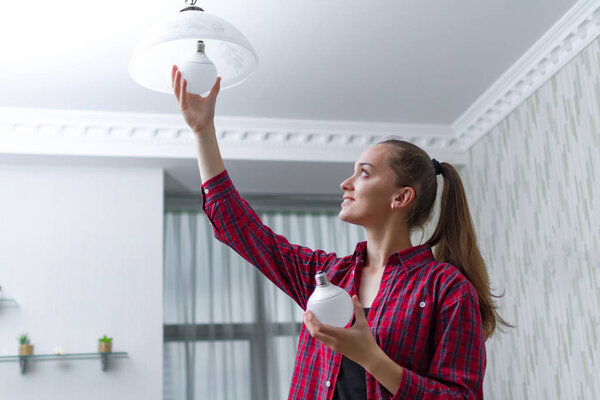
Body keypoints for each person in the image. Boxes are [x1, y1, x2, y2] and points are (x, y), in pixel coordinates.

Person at [171, 66, 509, 399]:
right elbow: (236, 227)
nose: (345, 184)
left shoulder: (446, 287)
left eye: (363, 173)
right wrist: (203, 131)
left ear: (401, 197)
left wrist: (370, 357)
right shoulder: (327, 275)